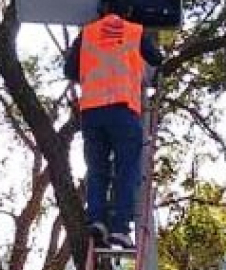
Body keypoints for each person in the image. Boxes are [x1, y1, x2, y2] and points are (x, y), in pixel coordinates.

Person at [65, 0, 163, 249]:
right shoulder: (134, 31)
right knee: (126, 169)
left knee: (97, 169)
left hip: (92, 113)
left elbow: (69, 70)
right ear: (128, 10)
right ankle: (120, 228)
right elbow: (156, 58)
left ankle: (97, 220)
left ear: (102, 9)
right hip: (123, 109)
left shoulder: (86, 34)